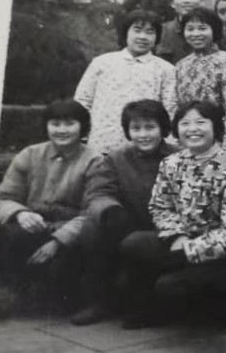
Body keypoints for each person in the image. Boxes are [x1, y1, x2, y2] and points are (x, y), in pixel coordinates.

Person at [120, 100, 226, 329]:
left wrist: (190, 250)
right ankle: (145, 311)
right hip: (181, 242)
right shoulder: (171, 163)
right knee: (134, 244)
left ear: (216, 127)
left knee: (169, 286)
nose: (192, 129)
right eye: (185, 123)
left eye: (200, 122)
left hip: (223, 254)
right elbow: (160, 207)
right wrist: (177, 236)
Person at [0, 100, 100, 321]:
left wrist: (58, 241)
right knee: (8, 232)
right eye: (55, 124)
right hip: (33, 224)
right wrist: (20, 213)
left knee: (58, 293)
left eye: (70, 123)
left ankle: (61, 295)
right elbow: (3, 198)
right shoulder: (29, 154)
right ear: (46, 126)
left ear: (83, 127)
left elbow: (93, 212)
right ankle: (15, 293)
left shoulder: (94, 161)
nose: (62, 130)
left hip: (71, 231)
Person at [73, 100, 178, 325]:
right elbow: (99, 191)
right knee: (97, 223)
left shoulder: (179, 157)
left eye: (150, 127)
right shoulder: (116, 159)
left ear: (163, 128)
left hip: (169, 230)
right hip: (127, 224)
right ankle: (101, 301)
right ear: (128, 131)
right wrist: (111, 210)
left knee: (138, 244)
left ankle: (144, 306)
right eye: (136, 128)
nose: (143, 135)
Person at [74, 9, 177, 154]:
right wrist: (80, 137)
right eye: (137, 30)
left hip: (145, 148)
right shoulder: (101, 63)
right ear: (125, 32)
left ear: (157, 37)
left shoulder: (166, 69)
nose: (143, 37)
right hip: (101, 145)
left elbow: (170, 109)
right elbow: (82, 101)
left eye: (150, 32)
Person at [175, 7, 226, 150]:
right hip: (189, 140)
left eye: (202, 28)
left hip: (218, 140)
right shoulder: (181, 65)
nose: (196, 34)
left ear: (215, 30)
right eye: (190, 29)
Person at [157, 0, 205, 65]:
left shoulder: (215, 29)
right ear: (172, 3)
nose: (186, 1)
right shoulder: (162, 31)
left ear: (202, 1)